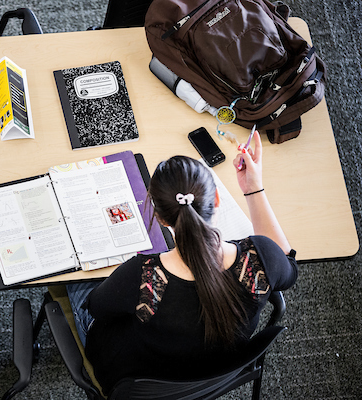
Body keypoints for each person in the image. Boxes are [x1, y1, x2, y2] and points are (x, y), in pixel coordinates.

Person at [66, 131, 298, 395]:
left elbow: (97, 307)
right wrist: (253, 188)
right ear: (217, 200)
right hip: (215, 372)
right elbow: (288, 265)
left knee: (76, 286)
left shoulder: (145, 277)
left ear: (161, 219)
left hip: (138, 381)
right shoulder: (261, 260)